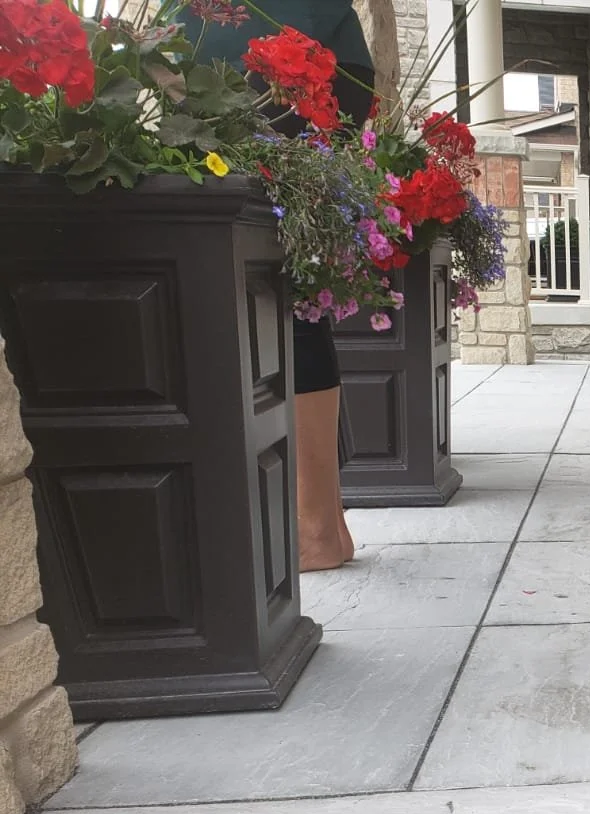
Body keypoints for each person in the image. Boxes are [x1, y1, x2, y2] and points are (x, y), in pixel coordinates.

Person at [180, 1, 376, 572]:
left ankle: (316, 526)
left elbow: (350, 96)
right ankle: (323, 522)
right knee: (299, 317)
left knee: (291, 317)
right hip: (273, 177)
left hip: (258, 180)